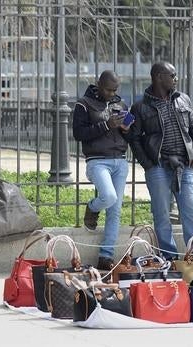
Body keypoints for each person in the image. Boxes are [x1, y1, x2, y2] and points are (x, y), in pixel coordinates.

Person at [127, 61, 193, 260]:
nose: (176, 79)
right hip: (159, 167)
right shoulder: (140, 106)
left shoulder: (183, 99)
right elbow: (134, 138)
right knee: (162, 216)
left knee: (192, 213)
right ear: (159, 77)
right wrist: (148, 163)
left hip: (184, 166)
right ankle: (168, 258)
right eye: (173, 75)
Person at [72, 70, 132, 271]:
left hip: (120, 161)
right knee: (108, 196)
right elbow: (79, 134)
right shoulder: (84, 104)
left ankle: (106, 257)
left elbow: (130, 136)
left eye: (115, 90)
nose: (111, 93)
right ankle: (92, 207)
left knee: (115, 212)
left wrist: (127, 129)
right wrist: (106, 125)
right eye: (108, 89)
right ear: (99, 84)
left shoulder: (120, 104)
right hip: (97, 161)